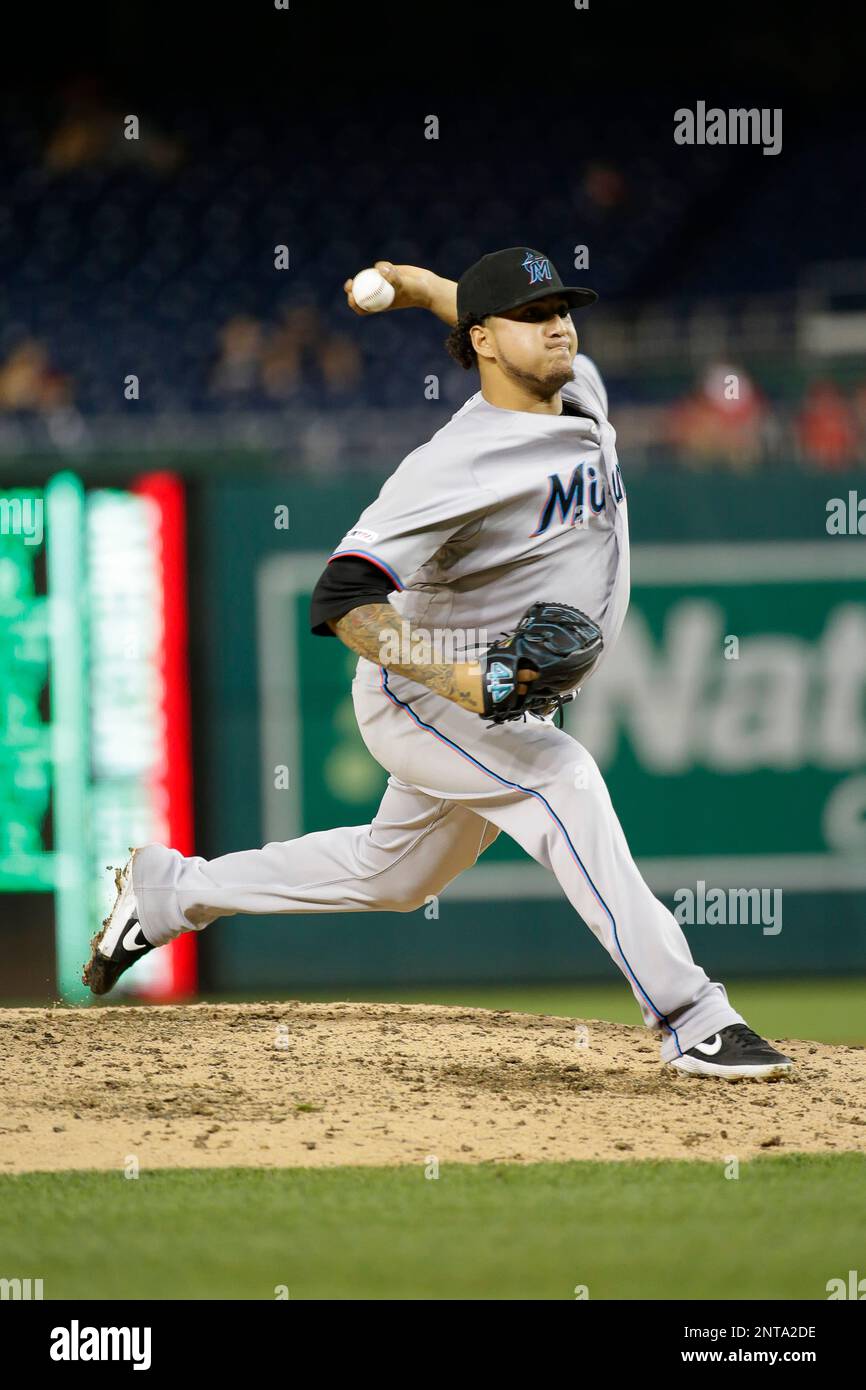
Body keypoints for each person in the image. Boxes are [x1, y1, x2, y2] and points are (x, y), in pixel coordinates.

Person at [83, 247, 792, 1080]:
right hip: (424, 696)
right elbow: (341, 598)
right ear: (486, 342)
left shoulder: (581, 389)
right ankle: (692, 1016)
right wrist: (466, 682)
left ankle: (171, 891)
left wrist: (422, 288)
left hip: (497, 702)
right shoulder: (454, 463)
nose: (558, 325)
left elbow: (484, 307)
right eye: (533, 316)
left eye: (562, 307)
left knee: (395, 875)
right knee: (563, 782)